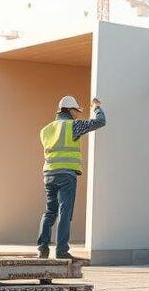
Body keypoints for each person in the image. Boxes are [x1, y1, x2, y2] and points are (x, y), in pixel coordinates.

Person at [37, 95, 105, 259]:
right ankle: (61, 251)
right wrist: (96, 107)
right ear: (69, 110)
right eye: (77, 111)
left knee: (49, 212)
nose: (78, 114)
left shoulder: (46, 130)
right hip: (66, 175)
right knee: (64, 212)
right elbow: (99, 122)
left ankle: (42, 249)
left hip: (48, 174)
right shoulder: (73, 126)